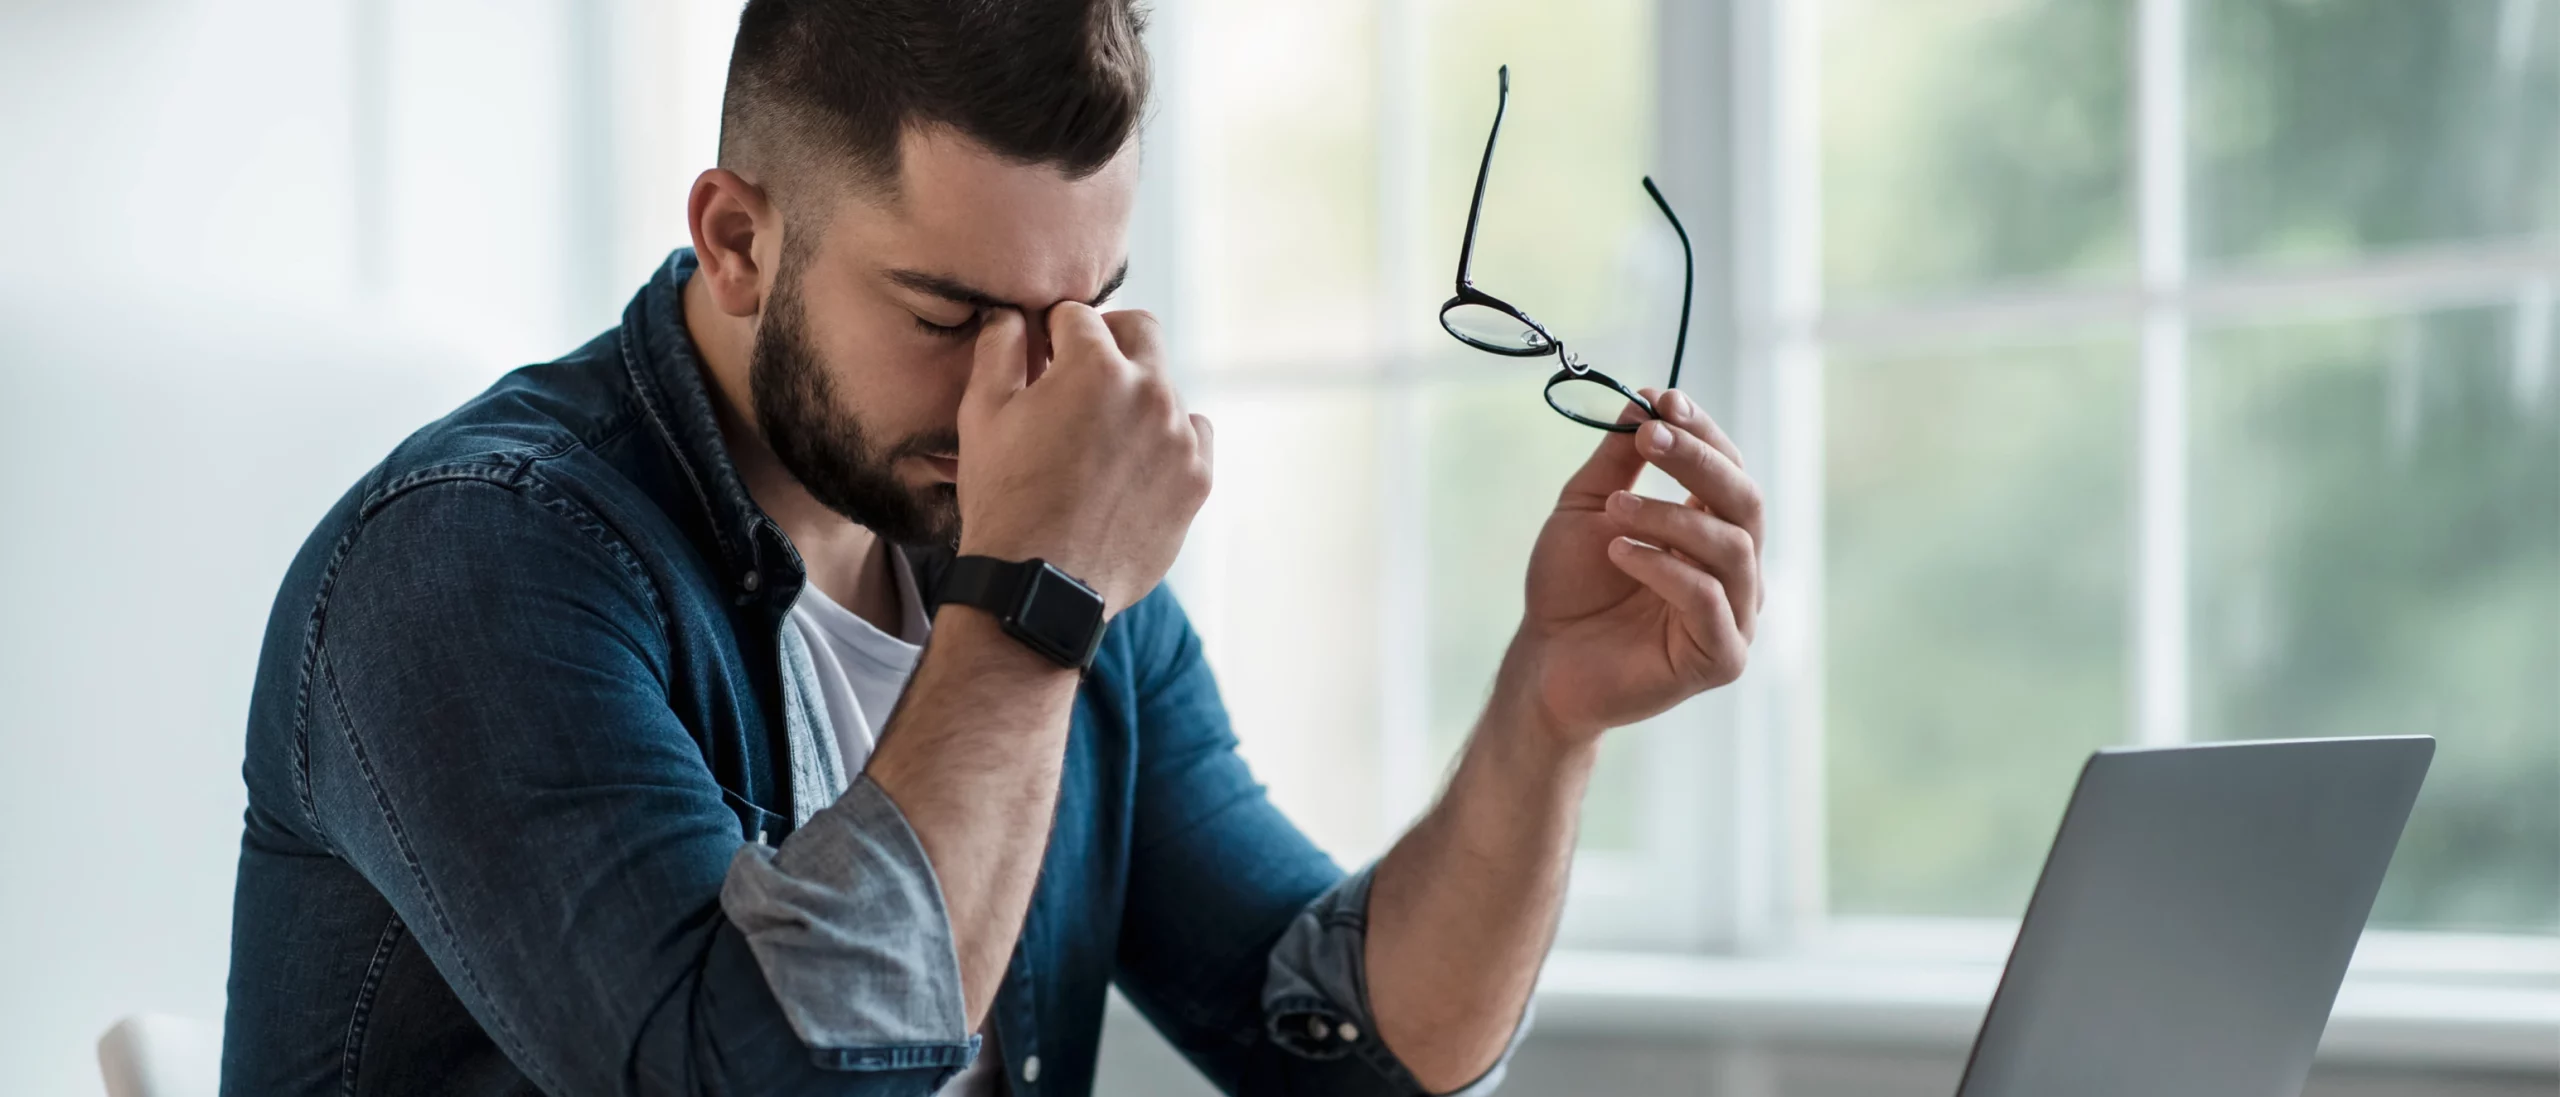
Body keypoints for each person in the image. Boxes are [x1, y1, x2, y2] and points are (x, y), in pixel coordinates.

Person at [219, 0, 1765, 1093]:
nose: (1024, 392)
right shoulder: (479, 560)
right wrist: (1035, 604)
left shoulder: (1036, 534)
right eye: (948, 315)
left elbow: (1348, 1047)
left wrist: (1550, 708)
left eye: (1080, 314)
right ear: (739, 238)